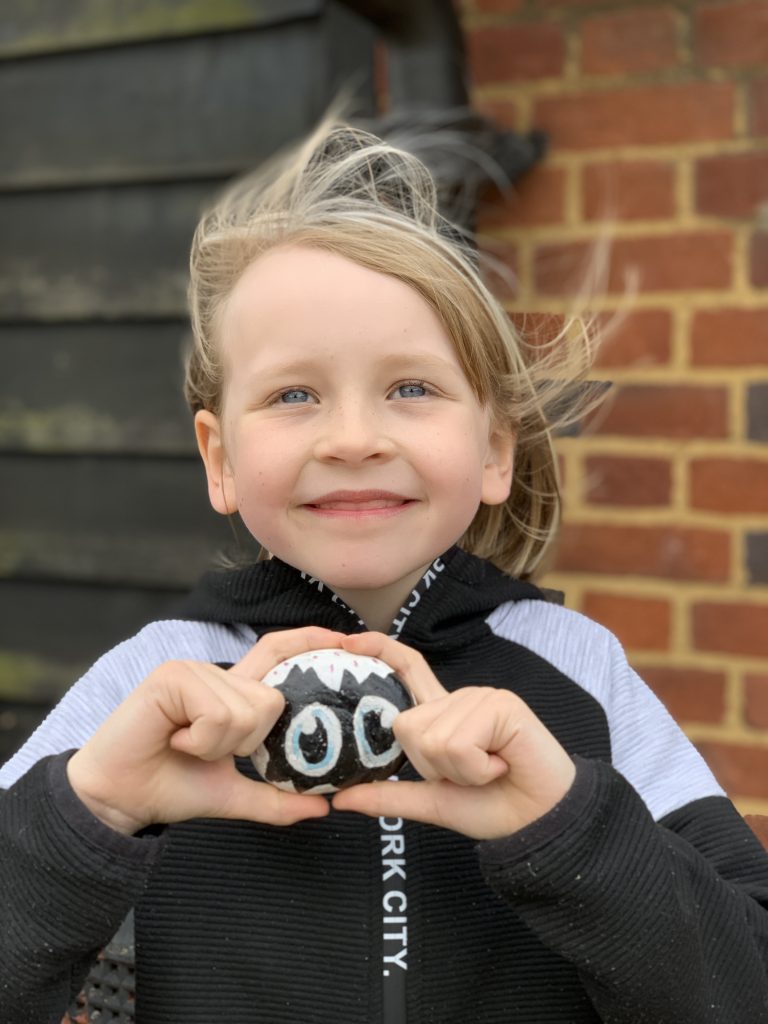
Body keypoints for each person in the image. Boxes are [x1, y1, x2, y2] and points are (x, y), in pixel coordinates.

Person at [1, 121, 766, 1024]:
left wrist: (572, 832)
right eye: (294, 395)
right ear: (220, 459)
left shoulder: (578, 668)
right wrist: (86, 813)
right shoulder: (155, 681)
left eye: (411, 388)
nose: (355, 438)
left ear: (492, 451)